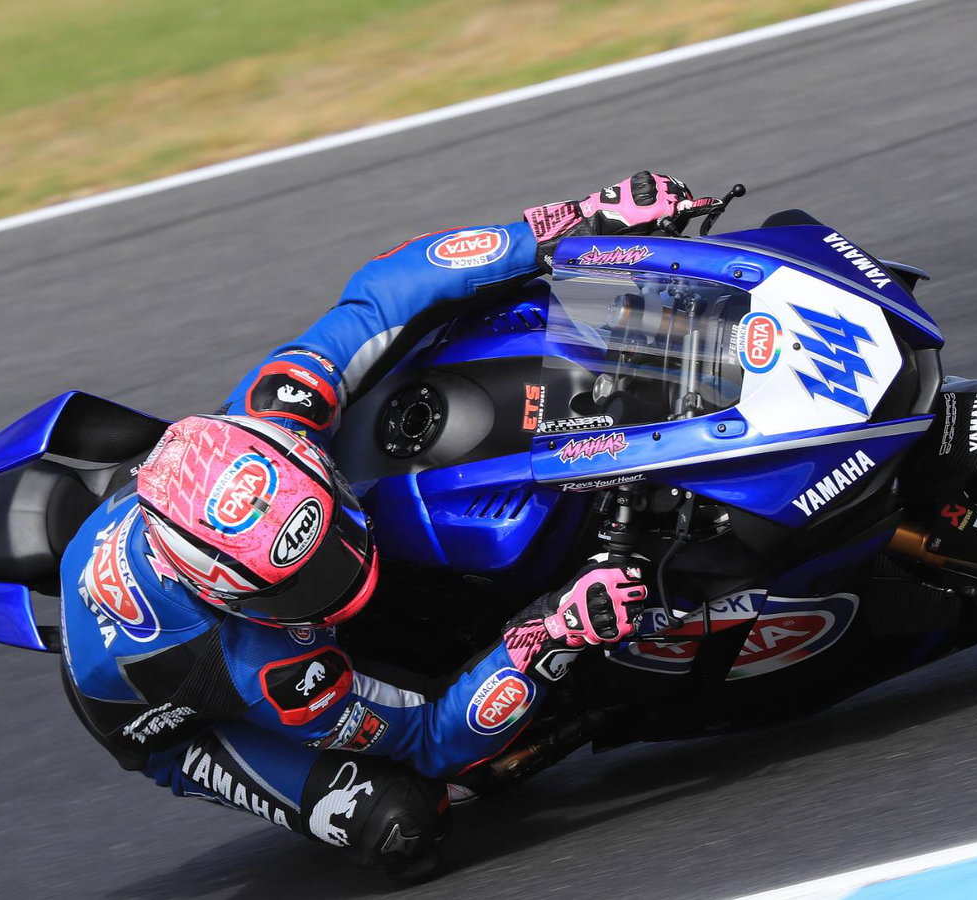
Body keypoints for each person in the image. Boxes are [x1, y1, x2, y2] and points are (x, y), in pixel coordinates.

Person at [58, 172, 700, 876]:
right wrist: (550, 631)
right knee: (402, 823)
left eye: (330, 537)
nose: (344, 568)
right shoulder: (264, 669)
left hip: (180, 535)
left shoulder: (274, 410)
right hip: (172, 722)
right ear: (228, 596)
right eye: (300, 583)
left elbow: (385, 293)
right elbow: (429, 739)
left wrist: (566, 225)